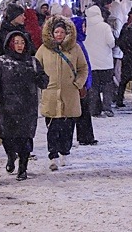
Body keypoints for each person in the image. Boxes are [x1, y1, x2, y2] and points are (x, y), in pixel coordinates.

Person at [0, 31, 48, 180]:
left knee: (25, 139)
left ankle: (23, 168)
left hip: (27, 107)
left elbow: (43, 82)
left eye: (22, 42)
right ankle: (11, 156)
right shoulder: (2, 62)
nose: (20, 45)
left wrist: (41, 77)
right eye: (16, 42)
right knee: (7, 138)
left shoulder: (32, 62)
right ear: (10, 44)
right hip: (7, 107)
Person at [35, 15, 88, 171]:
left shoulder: (75, 48)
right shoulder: (44, 49)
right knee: (52, 128)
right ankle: (53, 156)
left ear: (67, 33)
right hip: (50, 95)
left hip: (69, 95)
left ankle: (65, 152)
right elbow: (37, 67)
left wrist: (78, 83)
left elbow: (83, 68)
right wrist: (43, 83)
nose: (59, 35)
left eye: (61, 32)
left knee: (67, 128)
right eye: (56, 32)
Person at [0, 3, 33, 158]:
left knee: (22, 115)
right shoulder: (0, 34)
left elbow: (30, 53)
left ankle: (22, 147)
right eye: (21, 15)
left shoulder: (24, 33)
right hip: (7, 81)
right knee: (7, 114)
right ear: (14, 17)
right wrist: (4, 71)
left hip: (24, 80)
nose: (24, 17)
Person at [83, 5, 116, 117]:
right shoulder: (105, 27)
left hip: (91, 63)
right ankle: (107, 108)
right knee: (107, 86)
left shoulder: (85, 27)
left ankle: (94, 109)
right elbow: (111, 43)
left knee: (93, 87)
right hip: (105, 62)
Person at [71, 16, 96, 145]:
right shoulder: (76, 45)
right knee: (83, 111)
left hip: (82, 82)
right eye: (83, 26)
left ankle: (85, 136)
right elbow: (82, 66)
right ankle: (86, 137)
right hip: (81, 83)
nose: (85, 29)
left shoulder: (78, 43)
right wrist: (83, 82)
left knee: (83, 111)